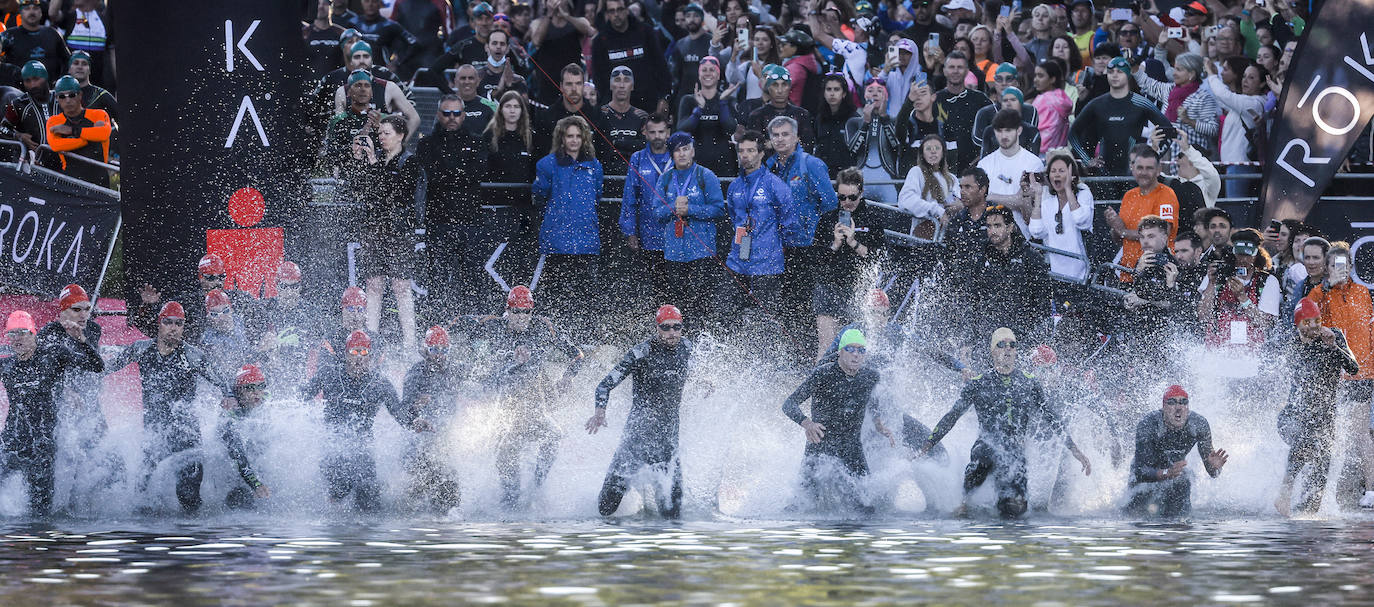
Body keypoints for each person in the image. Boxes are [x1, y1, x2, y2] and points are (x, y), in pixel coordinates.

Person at [918, 328, 1091, 518]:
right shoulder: (978, 382)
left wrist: (1075, 450)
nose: (1007, 349)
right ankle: (965, 503)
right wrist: (927, 446)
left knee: (1015, 512)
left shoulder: (1029, 382)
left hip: (1014, 457)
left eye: (1012, 345)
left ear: (1016, 351)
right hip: (985, 451)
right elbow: (952, 416)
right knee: (985, 453)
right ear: (993, 351)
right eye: (1001, 344)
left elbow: (1051, 417)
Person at [103, 302, 237, 514]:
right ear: (159, 324)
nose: (173, 328)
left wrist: (229, 396)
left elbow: (222, 380)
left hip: (186, 435)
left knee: (189, 497)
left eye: (179, 323)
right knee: (143, 498)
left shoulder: (192, 356)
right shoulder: (142, 349)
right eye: (168, 323)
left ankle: (191, 538)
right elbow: (105, 368)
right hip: (155, 434)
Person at [477, 286, 586, 509]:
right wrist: (511, 362)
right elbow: (458, 324)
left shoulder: (543, 328)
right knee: (510, 489)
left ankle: (537, 486)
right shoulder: (493, 326)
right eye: (516, 311)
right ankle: (506, 509)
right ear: (508, 310)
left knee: (554, 435)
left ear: (532, 311)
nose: (521, 317)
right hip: (504, 412)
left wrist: (568, 377)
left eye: (526, 312)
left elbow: (578, 355)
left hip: (533, 409)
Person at [587, 305, 695, 517]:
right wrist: (600, 411)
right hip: (636, 440)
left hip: (667, 443)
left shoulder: (688, 348)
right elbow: (604, 385)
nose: (672, 332)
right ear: (658, 328)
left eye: (677, 327)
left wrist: (704, 382)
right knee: (606, 509)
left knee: (673, 516)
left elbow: (695, 370)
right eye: (666, 327)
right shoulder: (641, 352)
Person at [0, 310, 102, 516]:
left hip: (43, 443)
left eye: (22, 333)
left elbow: (97, 366)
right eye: (12, 334)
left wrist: (82, 340)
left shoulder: (53, 354)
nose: (17, 339)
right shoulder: (7, 365)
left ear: (33, 333)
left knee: (40, 510)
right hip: (12, 442)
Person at [783, 329, 895, 512]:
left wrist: (879, 425)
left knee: (865, 506)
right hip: (820, 446)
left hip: (852, 447)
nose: (856, 355)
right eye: (851, 349)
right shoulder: (823, 374)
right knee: (801, 506)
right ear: (840, 351)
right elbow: (789, 404)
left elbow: (872, 400)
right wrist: (807, 424)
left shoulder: (870, 376)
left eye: (861, 350)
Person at [299, 330, 406, 512]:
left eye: (364, 352)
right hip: (333, 447)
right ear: (346, 354)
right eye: (354, 352)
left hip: (363, 449)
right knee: (341, 486)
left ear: (370, 356)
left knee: (369, 497)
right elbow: (300, 399)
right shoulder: (330, 374)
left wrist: (417, 421)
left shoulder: (380, 384)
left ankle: (362, 535)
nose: (359, 357)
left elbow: (400, 415)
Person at [1275, 299, 1360, 516]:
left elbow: (1353, 368)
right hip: (1293, 415)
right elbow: (1291, 370)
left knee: (1316, 491)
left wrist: (1334, 347)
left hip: (1325, 419)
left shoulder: (1334, 336)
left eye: (1317, 321)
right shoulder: (1292, 343)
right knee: (1304, 440)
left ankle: (1305, 525)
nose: (1313, 326)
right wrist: (1305, 343)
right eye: (1307, 322)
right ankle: (1285, 490)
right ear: (1297, 324)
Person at [1304, 243, 1374, 508]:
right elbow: (1308, 319)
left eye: (1344, 265)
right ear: (1327, 267)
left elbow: (1370, 331)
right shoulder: (1319, 292)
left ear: (1351, 267)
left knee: (1359, 433)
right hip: (1330, 374)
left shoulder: (1363, 292)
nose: (1339, 270)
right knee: (1329, 434)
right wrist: (1326, 289)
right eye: (1334, 265)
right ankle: (1326, 492)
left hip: (1361, 373)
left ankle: (1370, 490)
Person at [416, 94, 491, 320]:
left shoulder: (477, 142)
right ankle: (437, 326)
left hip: (470, 221)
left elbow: (477, 173)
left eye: (456, 113)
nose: (452, 118)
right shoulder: (426, 143)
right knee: (436, 279)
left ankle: (474, 328)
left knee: (473, 279)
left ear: (464, 115)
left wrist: (451, 173)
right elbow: (434, 175)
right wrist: (459, 174)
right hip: (438, 221)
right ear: (438, 115)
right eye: (447, 113)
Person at [531, 115, 605, 340]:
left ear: (584, 139)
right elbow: (539, 195)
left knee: (585, 295)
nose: (574, 140)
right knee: (554, 292)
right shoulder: (546, 164)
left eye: (577, 136)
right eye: (569, 136)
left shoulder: (595, 165)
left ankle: (584, 338)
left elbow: (597, 195)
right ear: (561, 138)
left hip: (586, 240)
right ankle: (550, 336)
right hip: (557, 241)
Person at [352, 114, 420, 352]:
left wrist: (372, 164)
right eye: (379, 133)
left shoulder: (409, 162)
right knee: (373, 285)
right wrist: (360, 159)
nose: (380, 138)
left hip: (399, 232)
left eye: (386, 133)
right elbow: (362, 190)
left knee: (401, 286)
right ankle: (370, 338)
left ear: (401, 135)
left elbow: (395, 195)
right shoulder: (377, 160)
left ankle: (410, 343)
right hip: (374, 230)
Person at [726, 130, 804, 317]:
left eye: (751, 150)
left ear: (761, 154)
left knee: (766, 317)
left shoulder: (775, 185)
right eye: (742, 151)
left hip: (767, 262)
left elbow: (789, 222)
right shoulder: (734, 186)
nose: (745, 155)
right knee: (728, 311)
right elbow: (733, 217)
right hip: (738, 259)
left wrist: (777, 247)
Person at [652, 132, 725, 330]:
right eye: (677, 150)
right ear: (671, 155)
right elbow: (657, 213)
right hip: (674, 252)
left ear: (693, 151)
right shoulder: (665, 179)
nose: (682, 154)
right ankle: (679, 337)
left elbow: (719, 209)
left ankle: (700, 338)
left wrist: (690, 209)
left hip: (702, 251)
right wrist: (673, 208)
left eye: (686, 149)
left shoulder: (705, 176)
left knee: (701, 301)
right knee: (678, 300)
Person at [813, 168, 887, 362]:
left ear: (861, 194)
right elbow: (817, 259)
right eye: (842, 197)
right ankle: (819, 387)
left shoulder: (873, 219)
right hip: (829, 285)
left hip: (857, 288)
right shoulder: (828, 219)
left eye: (852, 197)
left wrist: (854, 242)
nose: (846, 202)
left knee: (855, 346)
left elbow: (878, 258)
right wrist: (835, 244)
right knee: (827, 344)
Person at [1124, 385, 1229, 517]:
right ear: (1164, 407)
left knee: (1183, 482)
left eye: (1183, 402)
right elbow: (1140, 471)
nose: (1178, 408)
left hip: (1175, 472)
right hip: (1148, 475)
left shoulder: (1199, 424)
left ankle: (1179, 530)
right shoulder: (1148, 424)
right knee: (1135, 516)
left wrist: (1214, 468)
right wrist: (1166, 473)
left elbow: (1213, 473)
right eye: (1172, 402)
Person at [1069, 57, 1176, 178]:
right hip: (1103, 177)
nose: (1114, 75)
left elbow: (1169, 131)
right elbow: (1073, 133)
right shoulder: (1097, 104)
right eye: (1111, 72)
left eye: (1119, 72)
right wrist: (1087, 160)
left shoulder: (1140, 103)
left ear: (1128, 75)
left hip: (1133, 176)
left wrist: (1152, 157)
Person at [398, 326, 464, 513]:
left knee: (449, 488)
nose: (439, 355)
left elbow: (482, 384)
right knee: (417, 495)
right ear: (426, 349)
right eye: (435, 350)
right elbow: (403, 412)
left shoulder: (454, 371)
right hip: (417, 444)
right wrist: (416, 410)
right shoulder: (416, 373)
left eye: (444, 351)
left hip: (441, 441)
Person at [620, 114, 673, 306]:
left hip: (676, 233)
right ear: (645, 133)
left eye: (661, 132)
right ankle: (657, 320)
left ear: (668, 133)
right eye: (653, 132)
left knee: (677, 282)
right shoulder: (638, 158)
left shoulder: (678, 156)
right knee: (655, 283)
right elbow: (629, 197)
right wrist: (630, 231)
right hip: (648, 232)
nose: (657, 136)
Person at [1105, 145, 1178, 282]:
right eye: (1140, 168)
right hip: (1127, 274)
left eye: (1149, 168)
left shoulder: (1166, 194)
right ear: (1133, 169)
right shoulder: (1128, 196)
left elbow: (1163, 234)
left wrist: (1123, 231)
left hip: (1156, 275)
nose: (1143, 172)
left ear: (1158, 170)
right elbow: (1119, 240)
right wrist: (1114, 226)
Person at [1198, 229, 1279, 349]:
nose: (1243, 260)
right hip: (1217, 350)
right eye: (1240, 254)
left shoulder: (1267, 281)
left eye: (1248, 255)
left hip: (1251, 352)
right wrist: (1211, 283)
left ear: (1256, 255)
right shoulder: (1218, 275)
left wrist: (1243, 298)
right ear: (1233, 253)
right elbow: (1203, 316)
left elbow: (1264, 324)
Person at [1133, 51, 1218, 159]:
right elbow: (1146, 83)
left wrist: (1189, 121)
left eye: (1179, 70)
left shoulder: (1203, 97)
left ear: (1191, 74)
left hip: (1190, 159)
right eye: (1174, 68)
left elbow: (1213, 129)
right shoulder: (1169, 89)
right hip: (1165, 155)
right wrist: (1133, 67)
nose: (1174, 73)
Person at [592, 0, 671, 114]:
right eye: (612, 11)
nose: (616, 14)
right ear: (607, 14)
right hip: (616, 108)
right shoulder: (600, 41)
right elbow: (599, 78)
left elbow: (661, 67)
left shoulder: (645, 32)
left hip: (649, 103)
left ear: (626, 10)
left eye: (619, 9)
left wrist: (664, 98)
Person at [1027, 150, 1094, 283]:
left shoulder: (1083, 194)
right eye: (1053, 171)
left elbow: (1082, 221)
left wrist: (1068, 189)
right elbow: (1036, 232)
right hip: (1056, 274)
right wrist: (1039, 196)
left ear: (1072, 175)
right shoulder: (1047, 202)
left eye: (1062, 171)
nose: (1057, 174)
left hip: (1082, 273)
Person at [977, 108, 1044, 236]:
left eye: (1008, 130)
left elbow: (1026, 204)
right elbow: (979, 202)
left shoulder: (1033, 164)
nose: (1003, 136)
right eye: (999, 131)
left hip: (1023, 236)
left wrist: (989, 196)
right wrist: (1014, 199)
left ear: (1019, 130)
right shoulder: (984, 164)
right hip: (990, 236)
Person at [218, 365, 273, 510]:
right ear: (238, 392)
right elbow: (238, 456)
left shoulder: (266, 400)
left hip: (254, 459)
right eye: (249, 388)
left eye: (260, 386)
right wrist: (255, 484)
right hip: (231, 468)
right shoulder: (228, 418)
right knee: (240, 496)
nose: (256, 392)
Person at [677, 55, 740, 177]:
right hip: (696, 162)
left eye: (712, 70)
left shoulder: (728, 100)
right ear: (699, 74)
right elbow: (681, 129)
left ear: (718, 75)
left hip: (724, 163)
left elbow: (730, 129)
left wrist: (722, 103)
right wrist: (698, 110)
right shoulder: (688, 100)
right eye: (704, 70)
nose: (708, 73)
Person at [43, 74, 111, 186]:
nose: (68, 100)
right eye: (62, 96)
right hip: (70, 183)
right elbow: (56, 145)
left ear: (80, 95)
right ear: (56, 98)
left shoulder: (98, 114)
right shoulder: (54, 121)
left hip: (99, 182)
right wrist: (88, 138)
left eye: (72, 95)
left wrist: (72, 131)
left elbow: (103, 134)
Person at [528, 0, 597, 106]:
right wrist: (549, 15)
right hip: (547, 84)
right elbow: (536, 41)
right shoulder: (538, 23)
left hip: (572, 83)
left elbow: (591, 32)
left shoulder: (578, 21)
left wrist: (567, 16)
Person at [845, 79, 903, 203]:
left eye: (880, 91)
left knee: (891, 217)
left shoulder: (894, 121)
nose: (875, 94)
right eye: (870, 91)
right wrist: (865, 123)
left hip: (888, 182)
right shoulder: (854, 122)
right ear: (865, 96)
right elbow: (853, 150)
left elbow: (897, 146)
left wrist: (884, 119)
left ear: (886, 96)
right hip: (862, 181)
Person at [934, 51, 991, 173]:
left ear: (966, 71)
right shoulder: (934, 100)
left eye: (960, 67)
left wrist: (981, 159)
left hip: (975, 170)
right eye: (951, 67)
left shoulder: (980, 99)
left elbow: (994, 132)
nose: (955, 71)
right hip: (941, 168)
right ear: (944, 71)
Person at [594, 65, 650, 176]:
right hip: (605, 177)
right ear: (611, 85)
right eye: (617, 80)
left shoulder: (642, 117)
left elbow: (645, 147)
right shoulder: (599, 114)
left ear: (632, 86)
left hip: (635, 177)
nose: (621, 85)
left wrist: (617, 143)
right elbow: (598, 149)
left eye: (626, 80)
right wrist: (630, 145)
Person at [745, 64, 818, 149]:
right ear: (768, 88)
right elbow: (753, 148)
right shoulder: (757, 116)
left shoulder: (802, 114)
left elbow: (808, 146)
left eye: (784, 85)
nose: (780, 90)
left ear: (790, 87)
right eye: (775, 85)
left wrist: (772, 144)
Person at [898, 133, 959, 226]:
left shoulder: (952, 178)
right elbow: (906, 200)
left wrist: (959, 205)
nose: (933, 151)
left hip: (949, 231)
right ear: (922, 154)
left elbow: (961, 200)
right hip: (923, 231)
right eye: (928, 149)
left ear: (943, 153)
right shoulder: (916, 172)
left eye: (937, 148)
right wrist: (936, 210)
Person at [0, 0, 70, 80]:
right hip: (18, 88)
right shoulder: (8, 35)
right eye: (27, 9)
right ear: (20, 13)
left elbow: (68, 60)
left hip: (49, 88)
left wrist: (61, 80)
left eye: (35, 8)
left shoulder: (53, 34)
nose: (32, 12)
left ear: (41, 12)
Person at [813, 72, 859, 178]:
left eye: (836, 89)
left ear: (844, 93)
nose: (832, 94)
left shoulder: (854, 119)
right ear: (824, 93)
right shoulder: (820, 118)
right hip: (824, 174)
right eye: (828, 89)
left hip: (848, 176)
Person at [64, 50, 116, 122]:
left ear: (90, 70)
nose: (80, 67)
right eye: (76, 63)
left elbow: (123, 118)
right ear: (69, 69)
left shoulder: (100, 94)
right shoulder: (60, 95)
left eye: (84, 64)